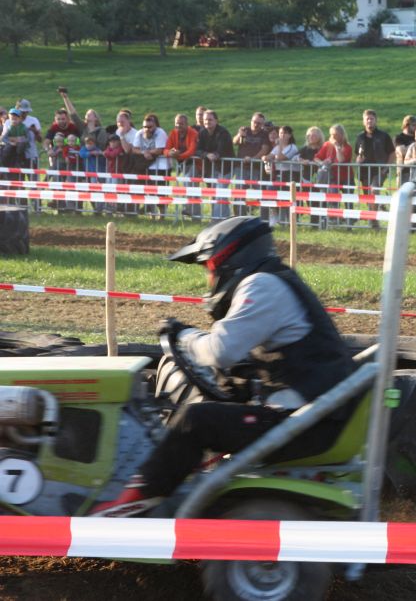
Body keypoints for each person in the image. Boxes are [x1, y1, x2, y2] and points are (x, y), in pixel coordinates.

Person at [90, 216, 358, 517]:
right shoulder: (274, 281)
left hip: (306, 426)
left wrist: (183, 334)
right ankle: (162, 489)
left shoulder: (262, 285)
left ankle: (133, 501)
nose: (208, 280)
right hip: (310, 418)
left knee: (196, 419)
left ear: (224, 260)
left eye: (207, 270)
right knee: (217, 403)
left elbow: (219, 350)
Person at [354, 109, 394, 229]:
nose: (369, 121)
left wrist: (386, 167)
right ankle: (375, 216)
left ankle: (372, 220)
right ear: (363, 121)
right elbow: (357, 154)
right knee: (368, 196)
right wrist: (358, 160)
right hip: (365, 171)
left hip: (379, 170)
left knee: (373, 190)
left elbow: (392, 153)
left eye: (372, 119)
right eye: (367, 119)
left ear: (376, 121)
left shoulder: (383, 136)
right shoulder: (359, 137)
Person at [314, 124, 354, 228]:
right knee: (332, 196)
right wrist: (323, 163)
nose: (333, 137)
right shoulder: (327, 145)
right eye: (331, 134)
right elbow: (316, 158)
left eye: (335, 134)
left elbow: (341, 160)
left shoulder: (347, 147)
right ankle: (334, 219)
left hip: (346, 177)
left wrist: (337, 147)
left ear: (341, 134)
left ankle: (349, 223)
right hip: (332, 177)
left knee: (348, 200)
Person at [394, 115, 416, 183]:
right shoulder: (399, 137)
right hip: (403, 171)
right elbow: (402, 152)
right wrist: (415, 147)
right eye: (413, 125)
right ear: (407, 125)